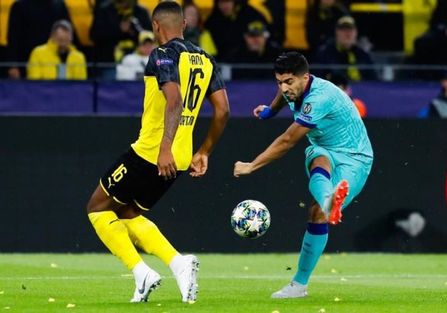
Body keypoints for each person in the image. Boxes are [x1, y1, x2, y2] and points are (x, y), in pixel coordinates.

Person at [86, 1, 230, 303]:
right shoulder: (205, 59)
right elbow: (223, 111)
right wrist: (204, 151)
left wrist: (163, 148)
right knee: (128, 213)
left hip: (152, 151)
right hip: (180, 158)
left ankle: (141, 272)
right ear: (184, 26)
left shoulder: (162, 55)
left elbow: (174, 101)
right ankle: (178, 263)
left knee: (97, 208)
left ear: (155, 27)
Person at [233, 52, 373, 298]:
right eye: (279, 82)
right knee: (317, 159)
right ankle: (299, 286)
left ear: (305, 78)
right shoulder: (295, 88)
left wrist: (252, 165)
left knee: (317, 207)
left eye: (288, 82)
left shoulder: (319, 98)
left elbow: (287, 140)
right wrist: (270, 111)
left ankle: (300, 281)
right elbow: (282, 97)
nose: (284, 88)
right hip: (326, 150)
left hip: (356, 159)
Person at [6, 0, 73, 79]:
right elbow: (13, 38)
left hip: (53, 61)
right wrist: (13, 65)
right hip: (25, 60)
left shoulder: (59, 5)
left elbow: (68, 33)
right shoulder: (19, 6)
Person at [90, 0, 152, 77]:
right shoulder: (104, 11)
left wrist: (133, 32)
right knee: (110, 88)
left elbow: (149, 36)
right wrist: (118, 30)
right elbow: (94, 35)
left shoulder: (141, 12)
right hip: (110, 63)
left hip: (138, 62)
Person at [314, 16, 376, 82]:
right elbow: (317, 81)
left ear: (356, 32)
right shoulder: (324, 53)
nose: (347, 33)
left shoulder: (363, 55)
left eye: (350, 29)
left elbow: (374, 81)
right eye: (343, 29)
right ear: (336, 32)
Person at [204, 0, 268, 61]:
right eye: (221, 2)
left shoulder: (250, 14)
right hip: (223, 61)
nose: (224, 6)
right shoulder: (212, 22)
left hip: (249, 59)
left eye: (227, 1)